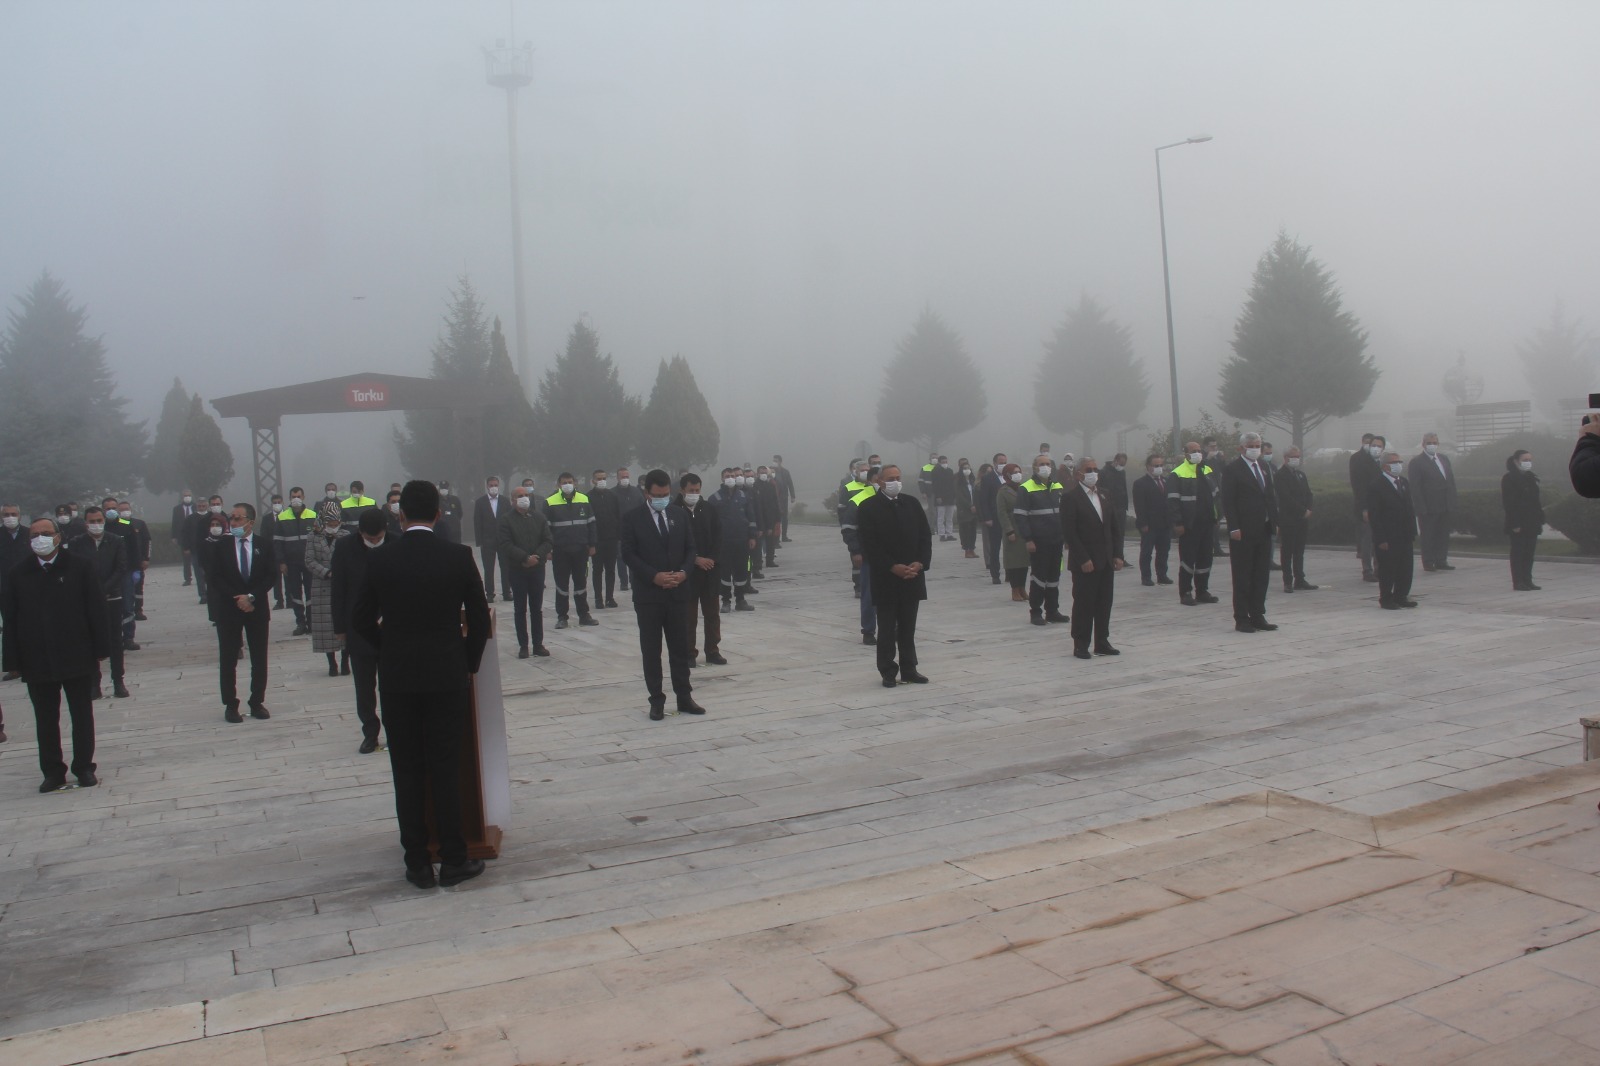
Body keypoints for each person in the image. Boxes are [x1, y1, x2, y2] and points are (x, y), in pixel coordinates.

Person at [352, 479, 490, 889]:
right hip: (446, 675)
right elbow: (479, 619)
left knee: (406, 768)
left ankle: (416, 863)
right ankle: (453, 859)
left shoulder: (381, 561)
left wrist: (386, 649)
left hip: (397, 679)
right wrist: (467, 663)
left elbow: (359, 619)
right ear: (438, 513)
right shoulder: (458, 556)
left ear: (400, 514)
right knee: (446, 767)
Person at [3, 517, 112, 791]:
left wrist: (101, 647)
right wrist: (12, 660)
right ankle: (52, 771)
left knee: (81, 714)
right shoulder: (18, 573)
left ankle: (84, 767)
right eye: (35, 534)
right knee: (45, 718)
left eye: (46, 533)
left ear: (58, 537)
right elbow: (11, 618)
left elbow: (96, 609)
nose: (40, 538)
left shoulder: (80, 566)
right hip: (36, 657)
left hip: (76, 652)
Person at [619, 469, 703, 720]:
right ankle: (656, 700)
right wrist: (653, 576)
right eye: (657, 495)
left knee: (680, 648)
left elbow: (691, 548)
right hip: (649, 596)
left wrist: (684, 573)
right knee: (651, 650)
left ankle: (684, 697)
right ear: (647, 493)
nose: (662, 499)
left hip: (677, 593)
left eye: (666, 494)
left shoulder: (678, 514)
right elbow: (629, 555)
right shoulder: (632, 519)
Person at [858, 465, 932, 687]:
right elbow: (870, 545)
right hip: (887, 578)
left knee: (908, 626)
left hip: (912, 575)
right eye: (891, 478)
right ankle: (888, 670)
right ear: (880, 481)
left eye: (898, 478)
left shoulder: (911, 503)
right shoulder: (868, 507)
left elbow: (924, 536)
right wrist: (892, 566)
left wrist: (920, 563)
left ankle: (910, 668)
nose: (895, 482)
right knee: (888, 627)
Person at [211, 502, 277, 722]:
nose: (234, 522)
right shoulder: (221, 546)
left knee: (259, 657)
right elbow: (215, 577)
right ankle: (230, 704)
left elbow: (271, 575)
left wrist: (251, 597)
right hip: (229, 609)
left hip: (256, 607)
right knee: (228, 657)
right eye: (232, 518)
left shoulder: (264, 545)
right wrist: (237, 597)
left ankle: (257, 701)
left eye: (239, 518)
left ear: (250, 521)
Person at [331, 508, 387, 753]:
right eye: (369, 539)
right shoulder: (345, 548)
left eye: (378, 539)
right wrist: (340, 628)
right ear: (360, 532)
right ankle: (370, 732)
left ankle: (395, 730)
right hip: (359, 628)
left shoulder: (397, 542)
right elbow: (338, 590)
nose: (374, 543)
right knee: (364, 686)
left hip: (391, 629)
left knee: (392, 686)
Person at [1061, 458, 1125, 658]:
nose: (1093, 473)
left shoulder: (1105, 494)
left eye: (1095, 469)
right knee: (1084, 603)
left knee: (1104, 602)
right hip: (1085, 562)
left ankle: (1102, 641)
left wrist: (1117, 554)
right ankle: (1081, 643)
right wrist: (1083, 559)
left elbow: (1114, 527)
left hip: (1105, 559)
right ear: (1079, 474)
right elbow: (1070, 532)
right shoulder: (1071, 498)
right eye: (1088, 470)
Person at [66, 506, 129, 700]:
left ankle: (118, 681)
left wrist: (104, 589)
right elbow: (73, 569)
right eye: (91, 521)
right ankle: (95, 683)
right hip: (87, 599)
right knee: (90, 640)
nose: (95, 524)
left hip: (112, 597)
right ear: (86, 523)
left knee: (115, 640)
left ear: (104, 520)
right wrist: (92, 591)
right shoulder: (77, 543)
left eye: (98, 520)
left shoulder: (115, 540)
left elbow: (120, 568)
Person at [1220, 432, 1279, 633]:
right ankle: (1242, 618)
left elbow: (1270, 495)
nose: (1255, 449)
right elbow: (1228, 500)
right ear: (1241, 448)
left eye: (1257, 445)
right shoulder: (1232, 470)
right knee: (1243, 575)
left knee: (1261, 574)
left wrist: (1274, 520)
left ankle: (1258, 614)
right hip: (1243, 530)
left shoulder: (1264, 467)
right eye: (1251, 445)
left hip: (1264, 528)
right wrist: (1233, 527)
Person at [498, 485, 554, 657]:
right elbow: (505, 544)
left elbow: (548, 540)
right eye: (519, 496)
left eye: (526, 495)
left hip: (537, 568)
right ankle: (523, 645)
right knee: (520, 608)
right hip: (517, 569)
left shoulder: (539, 517)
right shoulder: (506, 520)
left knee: (536, 608)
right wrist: (524, 558)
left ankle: (538, 644)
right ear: (513, 500)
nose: (524, 498)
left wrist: (536, 556)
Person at [1012, 455, 1068, 626]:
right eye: (1041, 464)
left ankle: (1052, 611)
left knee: (1054, 577)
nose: (1045, 467)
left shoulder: (1057, 486)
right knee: (1039, 577)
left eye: (1048, 464)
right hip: (1038, 541)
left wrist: (1066, 536)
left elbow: (1064, 513)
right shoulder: (1026, 488)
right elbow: (1020, 516)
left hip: (1056, 540)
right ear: (1035, 468)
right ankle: (1036, 612)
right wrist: (1028, 539)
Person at [678, 474, 725, 666]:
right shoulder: (674, 511)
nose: (695, 494)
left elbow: (719, 537)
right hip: (688, 573)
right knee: (688, 617)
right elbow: (675, 543)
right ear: (683, 490)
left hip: (710, 571)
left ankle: (713, 651)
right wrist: (695, 560)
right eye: (691, 491)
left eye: (697, 490)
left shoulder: (709, 509)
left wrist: (711, 559)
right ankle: (689, 653)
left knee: (712, 614)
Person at [1169, 440, 1220, 607]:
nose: (1198, 453)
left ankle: (1202, 591)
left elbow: (1217, 495)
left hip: (1207, 523)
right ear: (1186, 454)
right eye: (1194, 451)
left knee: (1205, 558)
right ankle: (1185, 592)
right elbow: (1173, 501)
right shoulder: (1177, 473)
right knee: (1188, 560)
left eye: (1199, 450)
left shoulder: (1207, 470)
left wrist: (1218, 516)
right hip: (1189, 525)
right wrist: (1178, 522)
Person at [545, 473, 599, 629]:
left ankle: (584, 615)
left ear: (575, 483)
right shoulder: (550, 502)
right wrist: (548, 549)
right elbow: (546, 529)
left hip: (581, 549)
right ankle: (562, 617)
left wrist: (593, 544)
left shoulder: (584, 499)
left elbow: (591, 524)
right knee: (562, 585)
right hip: (560, 551)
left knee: (581, 583)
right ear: (558, 485)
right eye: (564, 482)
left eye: (570, 482)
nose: (567, 484)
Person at [1368, 452, 1418, 610]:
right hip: (1388, 535)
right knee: (1388, 569)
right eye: (1394, 462)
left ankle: (1401, 595)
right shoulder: (1377, 485)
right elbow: (1374, 515)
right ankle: (1386, 598)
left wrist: (1413, 530)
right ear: (1384, 465)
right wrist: (1380, 538)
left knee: (1405, 567)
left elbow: (1409, 507)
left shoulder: (1403, 482)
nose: (1398, 465)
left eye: (1399, 461)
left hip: (1405, 534)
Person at [305, 502, 348, 678]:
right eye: (330, 523)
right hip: (322, 585)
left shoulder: (346, 536)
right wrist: (326, 572)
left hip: (342, 585)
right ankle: (332, 663)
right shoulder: (313, 537)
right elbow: (309, 560)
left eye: (336, 522)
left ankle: (346, 661)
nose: (333, 526)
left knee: (345, 624)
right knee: (326, 629)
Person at [1409, 432, 1459, 572]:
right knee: (1428, 535)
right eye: (1429, 443)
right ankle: (1429, 561)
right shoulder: (1417, 462)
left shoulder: (1443, 459)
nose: (1432, 445)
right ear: (1423, 444)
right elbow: (1415, 487)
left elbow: (1450, 481)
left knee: (1443, 534)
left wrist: (1453, 501)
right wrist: (1421, 507)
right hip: (1428, 506)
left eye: (1434, 442)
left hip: (1445, 504)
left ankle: (1441, 560)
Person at [839, 474, 878, 645]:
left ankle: (895, 627)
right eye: (885, 479)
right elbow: (848, 527)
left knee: (895, 595)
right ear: (871, 480)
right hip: (870, 555)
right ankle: (868, 630)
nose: (893, 483)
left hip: (894, 556)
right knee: (869, 595)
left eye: (896, 478)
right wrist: (855, 550)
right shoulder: (859, 499)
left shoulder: (899, 500)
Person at [274, 488, 318, 636]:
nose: (296, 499)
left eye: (298, 496)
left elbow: (319, 539)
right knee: (295, 594)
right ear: (289, 498)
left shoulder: (313, 515)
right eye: (293, 496)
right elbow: (278, 542)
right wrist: (281, 562)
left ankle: (311, 622)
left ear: (303, 497)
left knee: (311, 592)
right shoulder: (282, 517)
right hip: (291, 563)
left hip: (309, 562)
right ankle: (300, 622)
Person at [715, 468, 757, 613]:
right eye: (727, 476)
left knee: (742, 570)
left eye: (732, 476)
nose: (731, 478)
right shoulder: (715, 498)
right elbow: (710, 523)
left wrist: (752, 536)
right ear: (722, 479)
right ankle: (725, 601)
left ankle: (740, 600)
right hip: (724, 543)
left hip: (742, 541)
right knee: (724, 573)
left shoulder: (743, 496)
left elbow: (751, 517)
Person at [1502, 449, 1544, 591]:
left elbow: (1535, 500)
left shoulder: (1531, 477)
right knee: (1518, 552)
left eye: (1529, 460)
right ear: (1516, 461)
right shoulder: (1509, 478)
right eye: (1525, 460)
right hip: (1518, 522)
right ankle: (1518, 581)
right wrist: (1514, 523)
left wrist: (1540, 518)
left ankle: (1528, 580)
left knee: (1529, 553)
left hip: (1532, 521)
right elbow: (1509, 503)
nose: (1528, 463)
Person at [1276, 447, 1317, 592]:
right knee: (1287, 550)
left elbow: (1308, 493)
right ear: (1286, 458)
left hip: (1302, 519)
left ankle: (1300, 579)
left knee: (1299, 550)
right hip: (1288, 518)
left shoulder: (1300, 474)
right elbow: (1286, 497)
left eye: (1298, 456)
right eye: (1293, 456)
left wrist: (1309, 509)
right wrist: (1302, 510)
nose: (1296, 459)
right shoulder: (1280, 475)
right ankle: (1288, 580)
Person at [1131, 454, 1172, 587]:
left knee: (1163, 551)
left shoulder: (1166, 482)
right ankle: (1146, 576)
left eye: (1160, 465)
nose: (1159, 468)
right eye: (1156, 466)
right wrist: (1143, 523)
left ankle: (1162, 575)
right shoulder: (1140, 484)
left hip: (1165, 523)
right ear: (1148, 467)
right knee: (1147, 552)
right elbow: (1139, 505)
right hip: (1149, 524)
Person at [1349, 434, 1383, 582]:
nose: (1375, 448)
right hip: (1367, 506)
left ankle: (1379, 568)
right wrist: (1364, 508)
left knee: (1378, 539)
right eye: (1372, 444)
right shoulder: (1360, 460)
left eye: (1378, 446)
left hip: (1381, 506)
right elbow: (1359, 487)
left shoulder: (1381, 461)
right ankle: (1367, 570)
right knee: (1367, 539)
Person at [994, 463, 1030, 600]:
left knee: (1024, 562)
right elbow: (1001, 513)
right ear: (1007, 475)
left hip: (1023, 529)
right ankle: (1015, 589)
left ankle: (1022, 588)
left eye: (1019, 471)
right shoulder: (1002, 491)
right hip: (1013, 530)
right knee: (1014, 563)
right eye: (1014, 472)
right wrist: (1009, 531)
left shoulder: (1022, 489)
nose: (1018, 474)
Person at [472, 476, 509, 602]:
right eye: (491, 485)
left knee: (505, 567)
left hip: (503, 540)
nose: (494, 487)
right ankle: (489, 593)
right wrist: (480, 541)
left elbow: (509, 521)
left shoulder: (505, 501)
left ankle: (506, 592)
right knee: (488, 568)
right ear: (487, 486)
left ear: (499, 486)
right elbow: (477, 522)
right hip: (487, 540)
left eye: (495, 485)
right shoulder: (480, 502)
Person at [588, 470, 622, 609]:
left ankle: (610, 597)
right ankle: (598, 598)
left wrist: (619, 536)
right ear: (593, 480)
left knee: (610, 569)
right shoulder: (588, 497)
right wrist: (590, 541)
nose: (601, 480)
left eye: (604, 478)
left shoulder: (612, 496)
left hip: (611, 539)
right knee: (597, 570)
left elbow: (618, 516)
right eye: (598, 478)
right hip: (597, 540)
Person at [186, 495, 225, 606]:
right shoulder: (202, 521)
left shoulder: (227, 518)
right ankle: (204, 596)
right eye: (213, 504)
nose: (215, 506)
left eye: (217, 504)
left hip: (224, 555)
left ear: (222, 504)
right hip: (206, 554)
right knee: (204, 577)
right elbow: (196, 539)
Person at [977, 451, 1008, 584]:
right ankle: (995, 573)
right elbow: (983, 499)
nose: (1003, 465)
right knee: (995, 547)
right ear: (995, 463)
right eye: (1001, 463)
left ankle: (1010, 573)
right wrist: (987, 517)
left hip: (1008, 518)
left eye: (1005, 462)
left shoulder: (1010, 476)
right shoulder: (988, 478)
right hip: (994, 518)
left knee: (1009, 548)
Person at [613, 467, 645, 592]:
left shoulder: (636, 492)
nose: (625, 479)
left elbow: (643, 509)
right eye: (622, 477)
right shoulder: (612, 493)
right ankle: (623, 582)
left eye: (626, 476)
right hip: (620, 531)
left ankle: (633, 580)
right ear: (617, 478)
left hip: (635, 531)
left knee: (634, 557)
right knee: (621, 558)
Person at [754, 465, 782, 570]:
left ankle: (770, 560)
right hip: (759, 517)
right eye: (762, 473)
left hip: (770, 518)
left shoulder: (770, 486)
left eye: (765, 473)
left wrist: (778, 517)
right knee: (758, 543)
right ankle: (757, 563)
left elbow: (775, 502)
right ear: (757, 474)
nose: (764, 475)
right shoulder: (755, 486)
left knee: (771, 541)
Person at [171, 490, 197, 586]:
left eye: (189, 495)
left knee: (198, 558)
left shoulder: (196, 507)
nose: (187, 497)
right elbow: (174, 523)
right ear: (182, 497)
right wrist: (173, 536)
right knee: (186, 559)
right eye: (185, 496)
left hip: (196, 536)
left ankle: (202, 577)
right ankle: (187, 578)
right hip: (183, 537)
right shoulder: (177, 509)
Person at [955, 459, 979, 558]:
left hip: (974, 510)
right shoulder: (958, 482)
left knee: (973, 530)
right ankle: (967, 549)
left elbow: (976, 494)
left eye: (968, 468)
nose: (967, 470)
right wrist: (970, 506)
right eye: (964, 468)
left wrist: (976, 505)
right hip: (964, 510)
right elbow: (960, 496)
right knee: (966, 530)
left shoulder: (973, 480)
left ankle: (972, 549)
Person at [930, 455, 956, 541]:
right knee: (941, 517)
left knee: (949, 517)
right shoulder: (935, 471)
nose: (945, 463)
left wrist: (954, 496)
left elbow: (952, 485)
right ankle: (941, 534)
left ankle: (949, 534)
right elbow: (935, 485)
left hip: (950, 497)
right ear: (939, 462)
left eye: (946, 462)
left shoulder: (950, 471)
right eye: (943, 462)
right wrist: (938, 496)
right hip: (940, 498)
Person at [771, 454, 796, 542]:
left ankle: (784, 536)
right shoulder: (770, 471)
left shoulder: (785, 472)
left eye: (776, 461)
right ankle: (775, 537)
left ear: (780, 462)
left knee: (784, 517)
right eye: (773, 460)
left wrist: (793, 496)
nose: (774, 462)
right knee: (775, 518)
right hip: (773, 498)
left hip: (784, 497)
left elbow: (790, 484)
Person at [1103, 454, 1130, 521]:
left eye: (1123, 465)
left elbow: (1124, 488)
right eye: (1121, 464)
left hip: (1121, 507)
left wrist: (1125, 506)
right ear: (1115, 461)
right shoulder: (1104, 472)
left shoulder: (1122, 472)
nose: (1121, 467)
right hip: (1109, 507)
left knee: (1121, 528)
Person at [437, 479, 463, 544]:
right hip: (441, 531)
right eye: (442, 488)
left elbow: (460, 514)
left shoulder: (455, 499)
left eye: (445, 488)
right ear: (439, 488)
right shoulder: (436, 500)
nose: (444, 490)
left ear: (448, 488)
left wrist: (454, 520)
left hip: (454, 530)